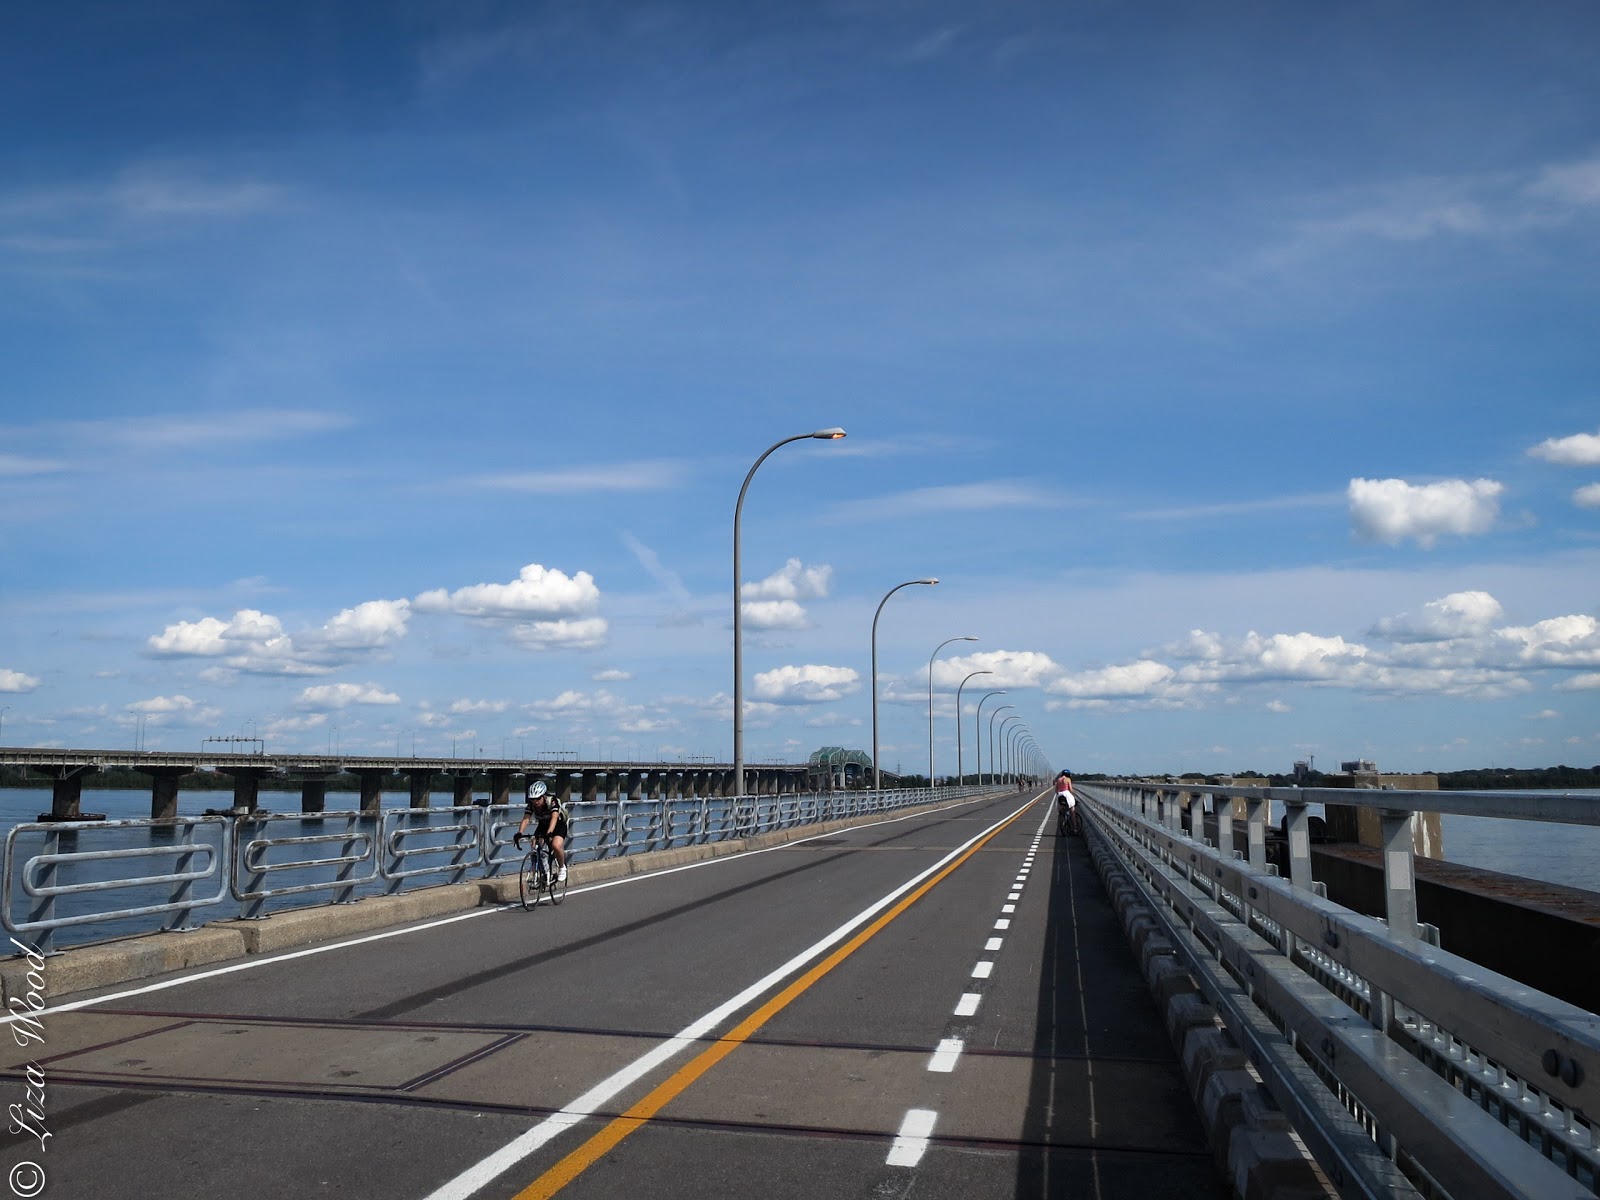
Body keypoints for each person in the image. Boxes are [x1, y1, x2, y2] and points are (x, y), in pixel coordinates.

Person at [514, 782, 569, 882]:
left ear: (543, 796)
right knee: (535, 846)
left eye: (538, 798)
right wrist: (519, 832)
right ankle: (545, 871)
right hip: (543, 824)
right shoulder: (532, 805)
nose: (535, 802)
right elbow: (526, 818)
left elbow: (554, 817)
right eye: (532, 799)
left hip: (558, 824)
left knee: (555, 845)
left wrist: (549, 833)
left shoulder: (552, 801)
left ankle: (562, 867)